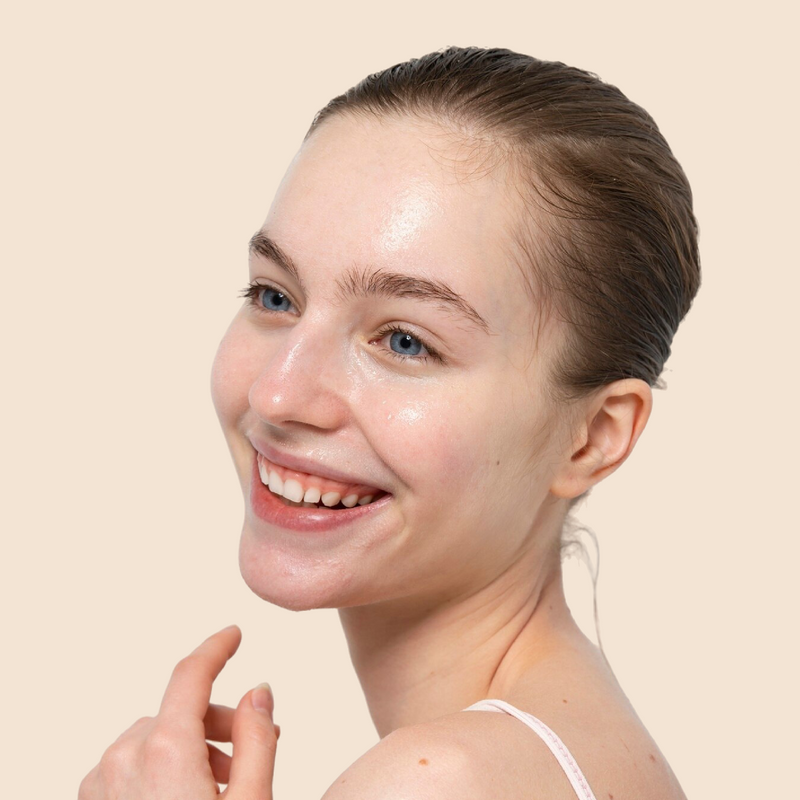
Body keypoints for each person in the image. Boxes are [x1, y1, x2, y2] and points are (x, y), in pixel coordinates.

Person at [79, 46, 700, 800]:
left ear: (594, 436)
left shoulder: (435, 782)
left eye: (406, 341)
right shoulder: (575, 744)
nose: (277, 396)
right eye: (275, 297)